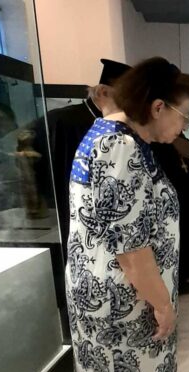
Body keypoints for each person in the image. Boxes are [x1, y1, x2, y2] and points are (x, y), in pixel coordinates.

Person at [65, 57, 189, 372]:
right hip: (126, 300)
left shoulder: (108, 134)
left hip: (106, 291)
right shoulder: (120, 148)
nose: (185, 126)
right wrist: (163, 305)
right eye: (184, 116)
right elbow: (133, 252)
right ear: (158, 107)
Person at [44, 58, 131, 257]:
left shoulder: (116, 127)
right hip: (65, 213)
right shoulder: (62, 121)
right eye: (128, 98)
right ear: (103, 92)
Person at [151, 134, 189, 295]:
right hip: (169, 196)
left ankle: (184, 274)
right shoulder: (155, 140)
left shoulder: (174, 136)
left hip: (184, 194)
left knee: (186, 234)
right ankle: (177, 280)